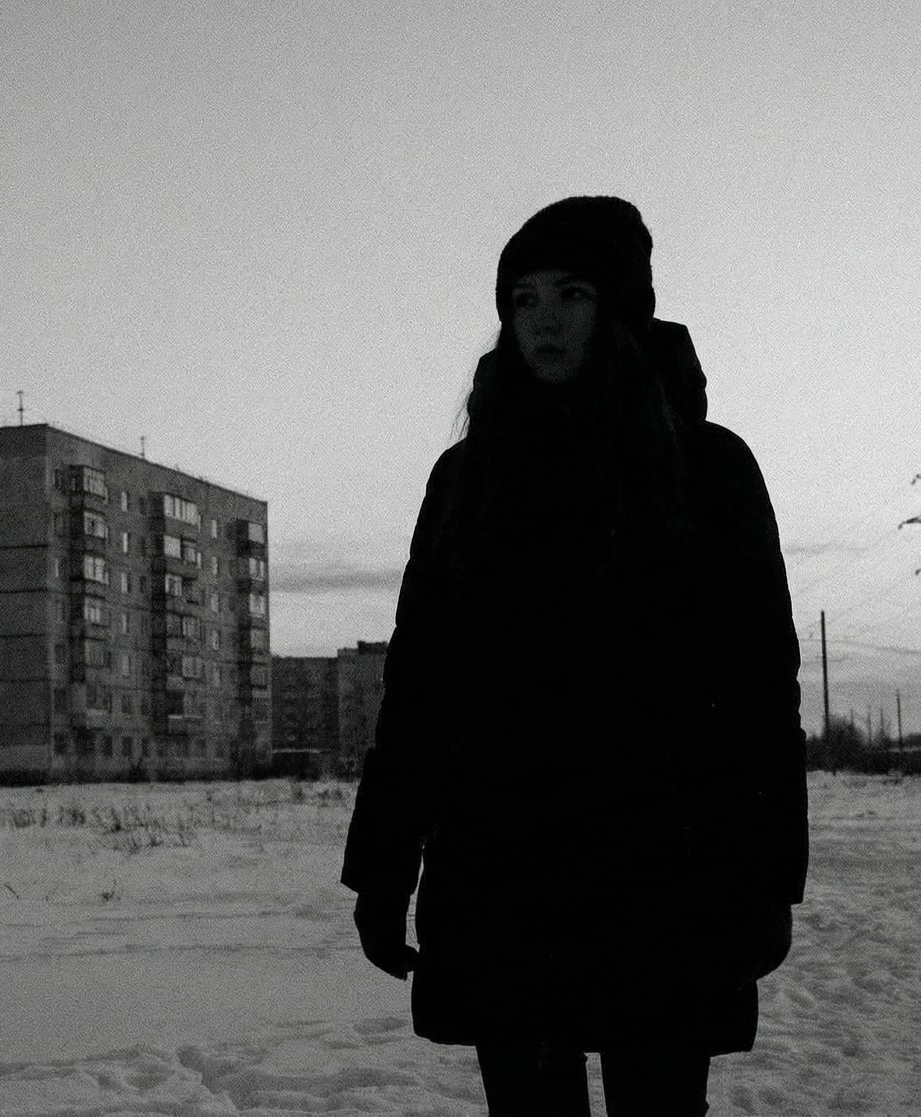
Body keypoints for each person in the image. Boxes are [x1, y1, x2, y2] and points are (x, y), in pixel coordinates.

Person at [340, 196, 807, 1116]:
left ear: (623, 309)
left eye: (571, 293)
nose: (542, 318)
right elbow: (422, 690)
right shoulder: (468, 479)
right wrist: (383, 865)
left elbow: (758, 694)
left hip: (663, 878)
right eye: (521, 298)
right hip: (507, 876)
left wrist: (764, 879)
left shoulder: (709, 470)